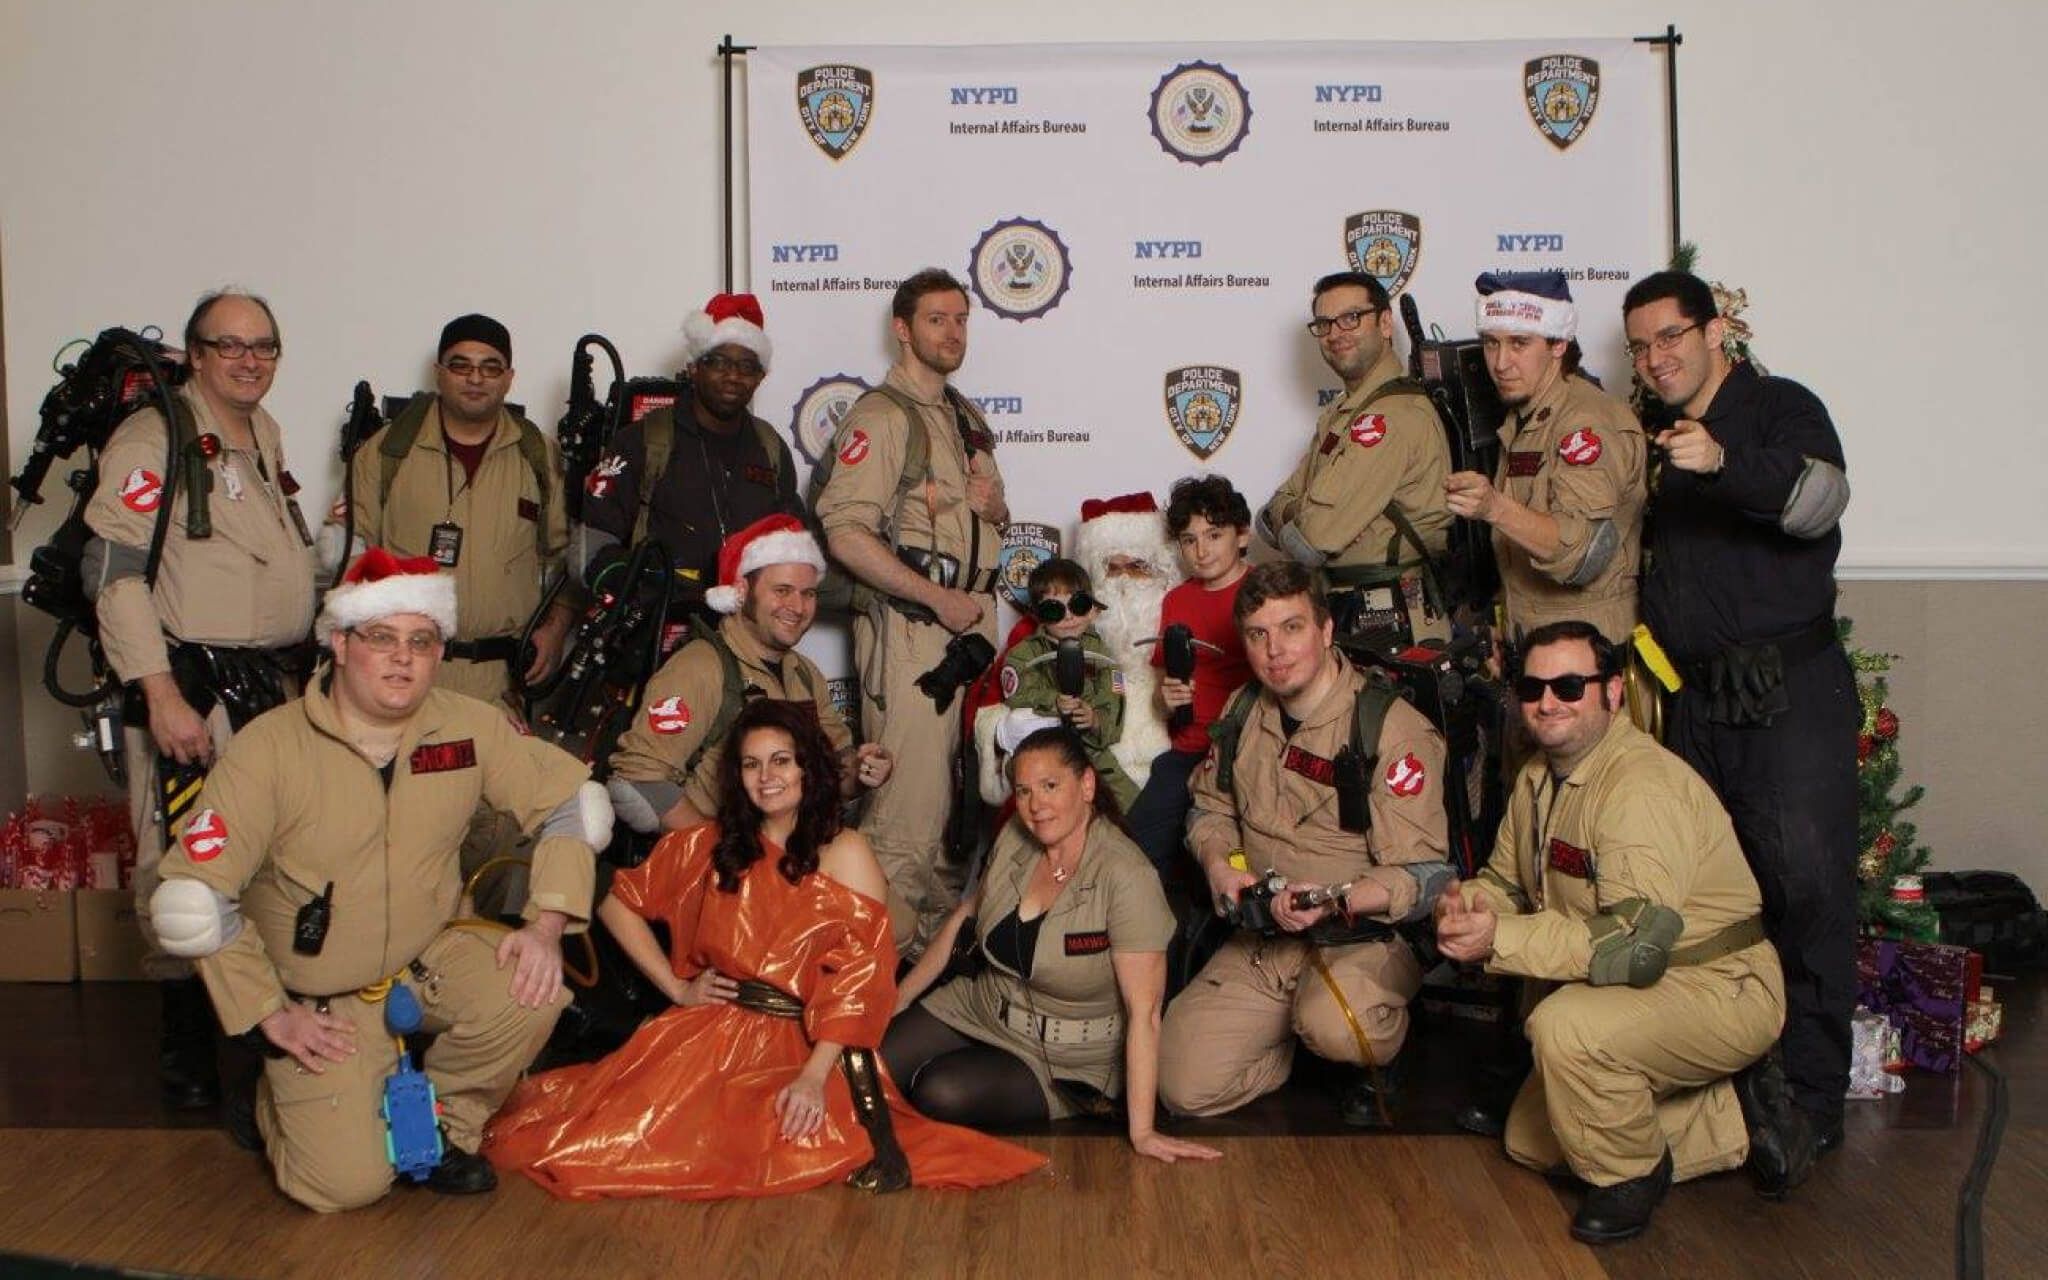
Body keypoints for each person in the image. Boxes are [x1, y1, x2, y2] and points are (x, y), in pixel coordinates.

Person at [145, 549, 605, 1211]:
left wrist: (547, 924)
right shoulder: (268, 749)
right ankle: (271, 1097)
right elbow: (193, 896)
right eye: (381, 638)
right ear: (339, 642)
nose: (402, 658)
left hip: (427, 956)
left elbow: (570, 803)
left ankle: (446, 1125)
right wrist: (267, 1012)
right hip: (322, 995)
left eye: (421, 641)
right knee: (343, 1189)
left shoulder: (468, 728)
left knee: (531, 989)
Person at [484, 699, 1046, 1198]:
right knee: (606, 1140)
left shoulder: (844, 852)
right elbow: (611, 895)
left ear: (808, 768)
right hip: (709, 1030)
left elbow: (860, 979)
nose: (766, 777)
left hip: (803, 1042)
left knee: (757, 1148)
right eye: (752, 765)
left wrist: (812, 1076)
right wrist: (676, 986)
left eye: (781, 761)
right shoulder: (709, 845)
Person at [1435, 620, 1787, 1243]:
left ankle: (1632, 1175)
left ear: (1613, 693)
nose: (1548, 702)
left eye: (1571, 686)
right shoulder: (1537, 780)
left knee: (1564, 1031)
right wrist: (1471, 906)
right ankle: (1730, 1111)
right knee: (1529, 1140)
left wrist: (1501, 941)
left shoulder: (1641, 789)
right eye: (1533, 687)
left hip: (1716, 982)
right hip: (1642, 985)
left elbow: (1635, 943)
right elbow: (1505, 880)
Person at [1624, 269, 1856, 1184]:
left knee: (1805, 887)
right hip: (1695, 703)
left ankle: (1811, 1095)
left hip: (1787, 697)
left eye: (1671, 336)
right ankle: (1731, 1090)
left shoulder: (1782, 408)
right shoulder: (1657, 439)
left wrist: (1723, 463)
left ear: (1717, 330)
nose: (1656, 357)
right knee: (1710, 899)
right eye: (1641, 346)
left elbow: (1820, 503)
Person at [81, 288, 318, 1109]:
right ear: (196, 354)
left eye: (265, 346)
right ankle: (185, 1050)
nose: (250, 360)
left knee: (266, 858)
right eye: (231, 346)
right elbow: (112, 578)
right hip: (192, 690)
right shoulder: (155, 438)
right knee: (183, 866)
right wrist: (158, 695)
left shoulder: (262, 431)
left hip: (269, 685)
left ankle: (252, 1028)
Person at [1157, 563, 1451, 1127]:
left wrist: (1337, 897)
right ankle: (1291, 1040)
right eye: (1258, 634)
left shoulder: (1389, 728)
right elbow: (1210, 811)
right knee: (1180, 1086)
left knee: (1338, 1028)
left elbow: (1424, 877)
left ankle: (1367, 1048)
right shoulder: (1244, 712)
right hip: (1265, 934)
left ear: (1326, 629)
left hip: (1359, 936)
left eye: (1292, 628)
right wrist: (1222, 869)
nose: (1276, 651)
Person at [883, 728, 1220, 1166]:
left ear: (1086, 786)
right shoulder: (1016, 837)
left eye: (1049, 786)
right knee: (871, 1063)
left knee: (939, 1092)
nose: (1035, 805)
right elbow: (967, 913)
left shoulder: (1126, 876)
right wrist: (898, 999)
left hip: (1064, 1056)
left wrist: (1143, 1131)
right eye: (1023, 791)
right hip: (985, 1004)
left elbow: (1146, 1013)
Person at [814, 268, 1008, 956]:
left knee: (961, 814)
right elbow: (844, 534)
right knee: (907, 820)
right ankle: (872, 989)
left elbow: (987, 523)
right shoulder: (883, 416)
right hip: (917, 631)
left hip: (974, 620)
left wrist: (997, 511)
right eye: (936, 319)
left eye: (961, 319)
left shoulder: (965, 418)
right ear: (902, 328)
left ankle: (926, 982)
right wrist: (935, 599)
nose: (952, 332)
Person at [330, 313, 575, 709]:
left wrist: (556, 629)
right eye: (461, 365)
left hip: (504, 682)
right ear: (438, 372)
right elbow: (350, 558)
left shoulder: (539, 456)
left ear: (509, 377)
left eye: (490, 367)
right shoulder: (387, 451)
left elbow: (565, 559)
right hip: (407, 675)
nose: (475, 378)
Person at [607, 514, 893, 837]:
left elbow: (833, 773)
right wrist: (723, 853)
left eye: (809, 593)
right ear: (743, 590)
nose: (798, 607)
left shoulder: (804, 674)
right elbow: (637, 780)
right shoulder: (701, 667)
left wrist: (860, 770)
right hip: (726, 868)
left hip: (790, 856)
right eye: (783, 590)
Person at [579, 293, 803, 634]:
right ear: (694, 367)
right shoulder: (643, 441)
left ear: (761, 377)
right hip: (655, 640)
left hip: (748, 641)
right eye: (719, 362)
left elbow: (795, 546)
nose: (733, 376)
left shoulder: (769, 447)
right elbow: (589, 548)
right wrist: (652, 589)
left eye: (747, 366)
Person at [1445, 271, 1646, 645]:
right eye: (1491, 343)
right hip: (1538, 646)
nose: (1500, 363)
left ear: (1558, 345)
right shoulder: (1527, 416)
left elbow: (1583, 553)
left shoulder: (1584, 424)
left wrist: (1494, 508)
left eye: (1519, 343)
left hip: (1590, 659)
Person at [1263, 271, 1453, 644]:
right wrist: (1302, 513)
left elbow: (1313, 539)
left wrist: (1300, 514)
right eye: (1324, 323)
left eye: (1351, 318)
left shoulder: (1389, 419)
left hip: (1394, 620)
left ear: (1385, 323)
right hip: (1348, 612)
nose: (1336, 333)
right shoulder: (1342, 412)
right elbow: (1271, 516)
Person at [1125, 475, 1255, 875]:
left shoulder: (1265, 591)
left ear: (1243, 536)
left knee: (1246, 855)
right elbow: (1165, 690)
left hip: (1251, 749)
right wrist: (1168, 699)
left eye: (1214, 535)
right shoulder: (1177, 600)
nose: (1201, 550)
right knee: (1134, 853)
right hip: (1188, 750)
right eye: (1189, 539)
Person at [982, 558, 1138, 809]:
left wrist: (1094, 719)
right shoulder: (1023, 654)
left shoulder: (1102, 656)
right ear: (1038, 615)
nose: (1068, 617)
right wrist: (1054, 702)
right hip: (1041, 751)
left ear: (1091, 608)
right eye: (1054, 610)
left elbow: (1113, 707)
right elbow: (1018, 693)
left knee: (1133, 809)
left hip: (1090, 751)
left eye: (1078, 605)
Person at [1067, 491, 1181, 790]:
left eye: (1137, 567)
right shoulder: (1073, 618)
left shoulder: (1181, 610)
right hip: (1097, 759)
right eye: (1113, 569)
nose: (1124, 580)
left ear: (1160, 570)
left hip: (1167, 760)